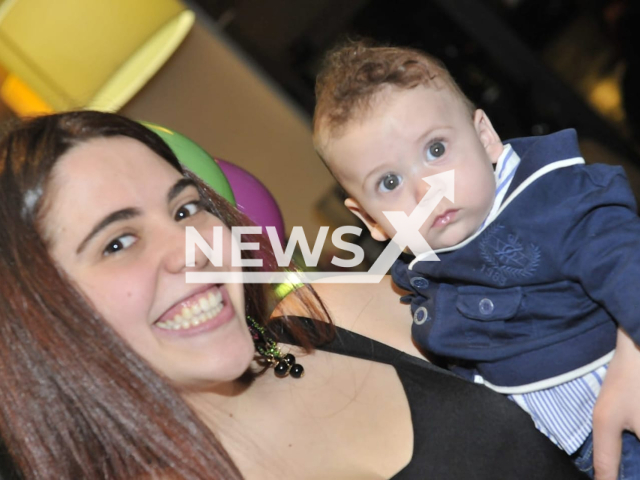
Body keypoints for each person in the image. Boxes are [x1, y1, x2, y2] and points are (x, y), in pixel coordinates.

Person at [0, 110, 591, 479]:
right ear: (37, 317)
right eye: (118, 242)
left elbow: (578, 297)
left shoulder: (339, 311)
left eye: (186, 208)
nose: (193, 248)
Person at [312, 40, 640, 479]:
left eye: (435, 150)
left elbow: (627, 263)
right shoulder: (422, 277)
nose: (426, 190)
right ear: (369, 219)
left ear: (485, 137)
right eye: (389, 181)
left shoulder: (549, 201)